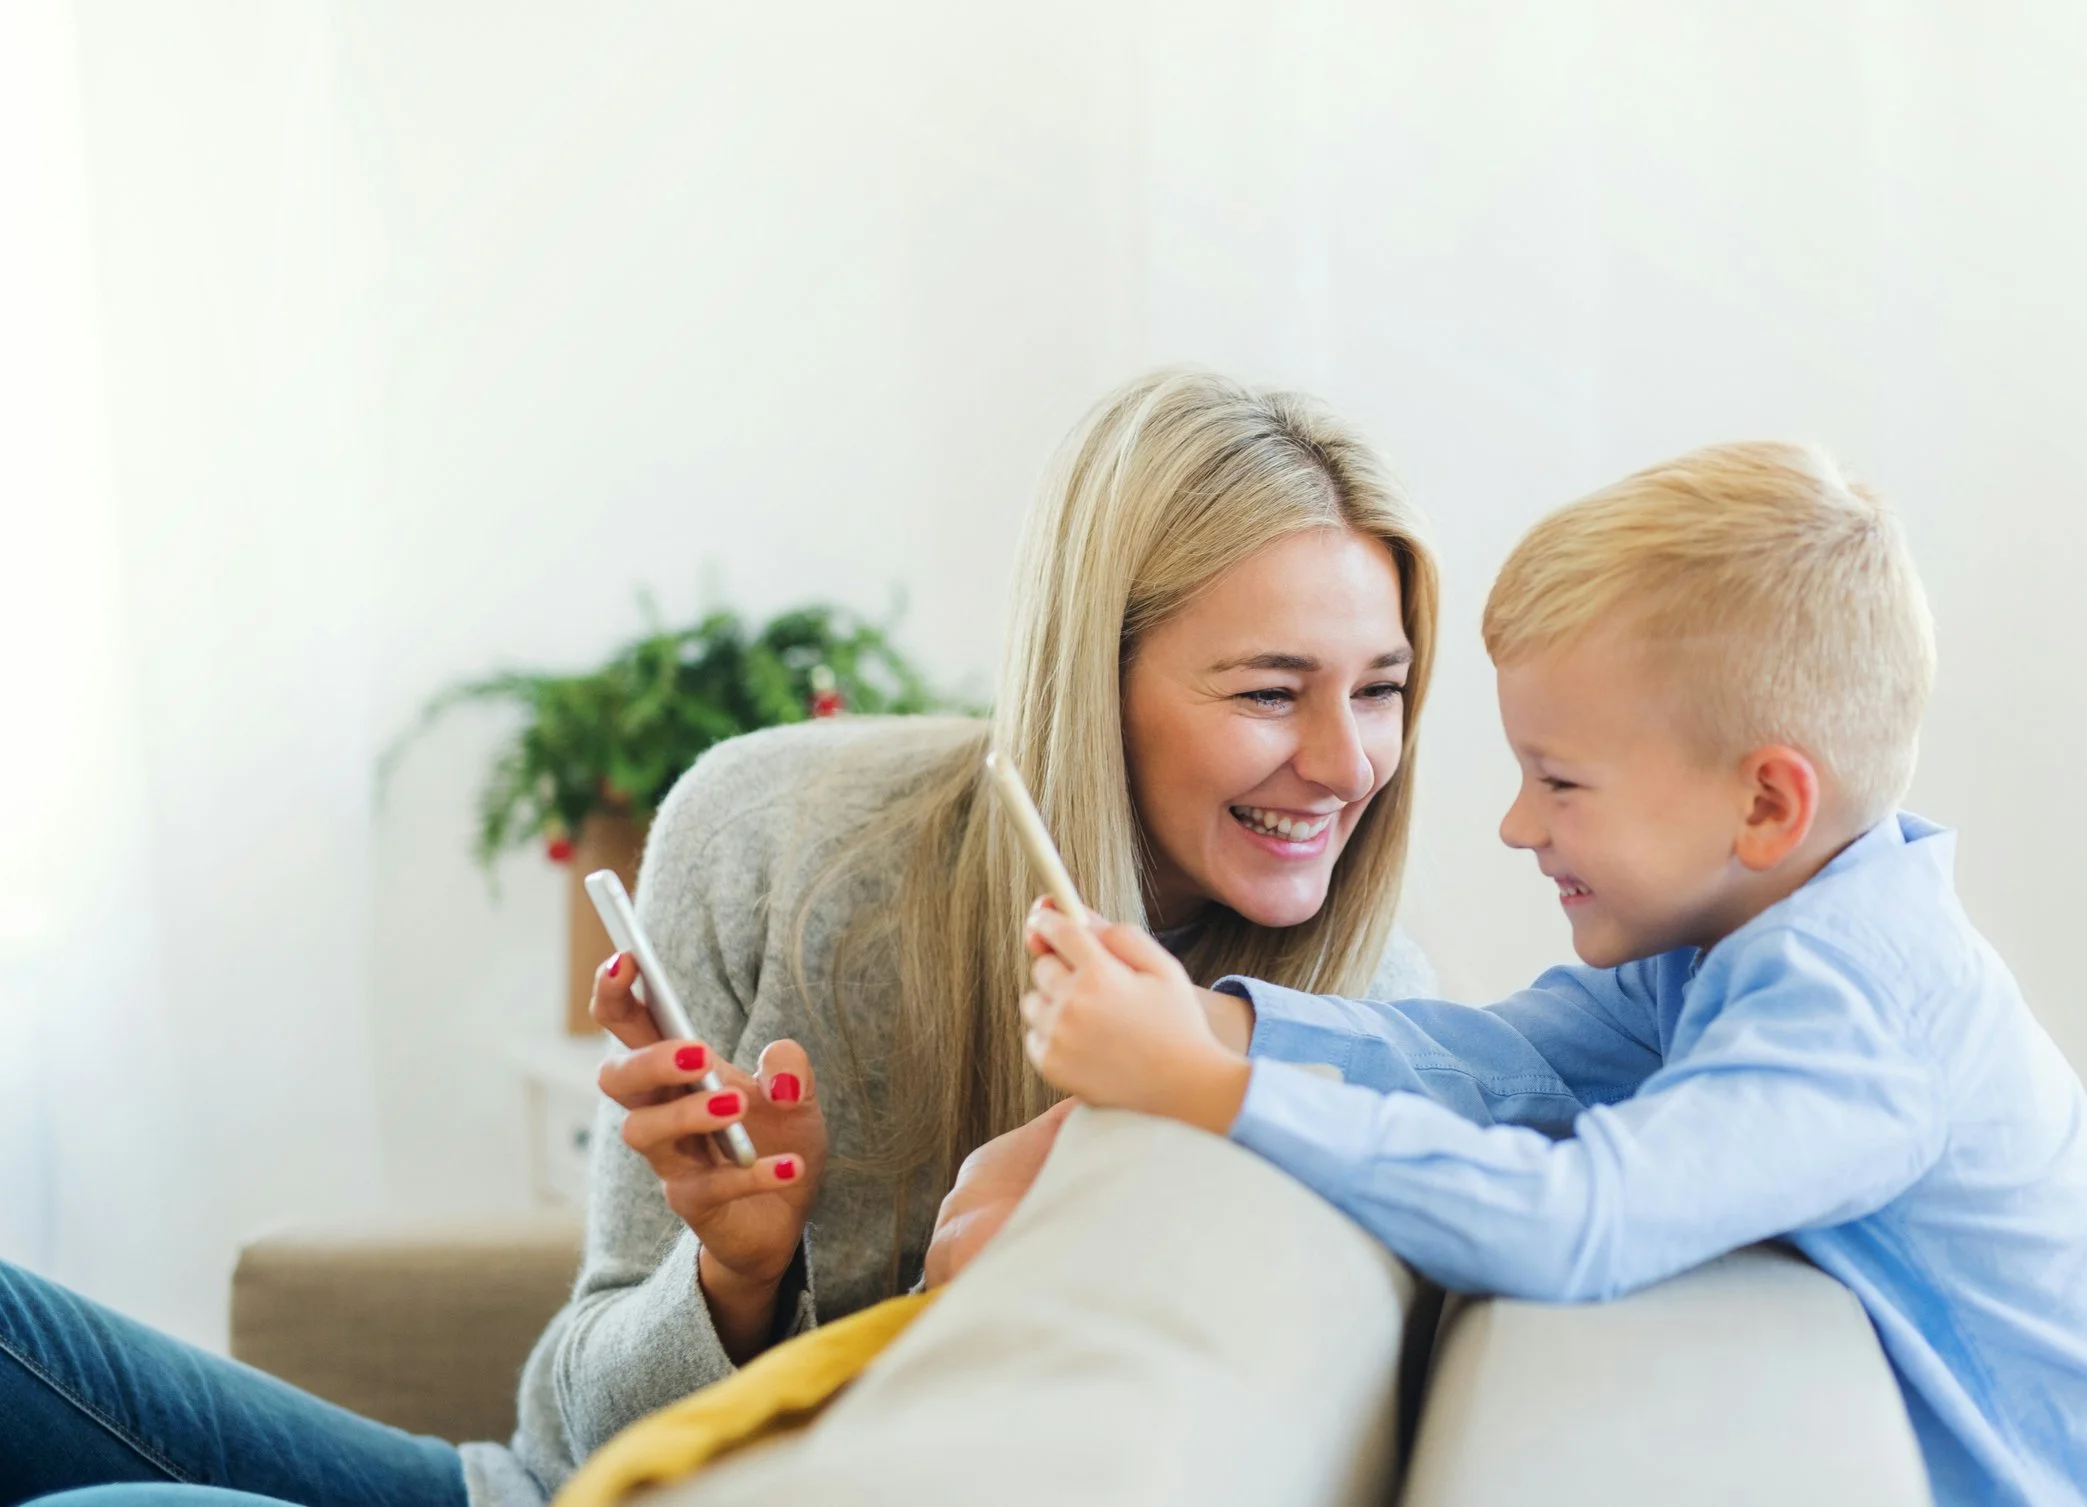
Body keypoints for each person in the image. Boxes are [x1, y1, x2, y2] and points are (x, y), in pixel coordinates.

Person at [0, 367, 1442, 1507]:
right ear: (1091, 678)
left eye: (1381, 688)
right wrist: (730, 1279)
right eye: (1272, 691)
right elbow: (558, 1435)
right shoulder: (778, 830)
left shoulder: (1356, 1042)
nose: (1346, 759)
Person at [1021, 441, 2087, 1506]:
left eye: (1561, 780)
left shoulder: (1856, 1003)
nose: (1517, 826)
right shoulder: (1728, 943)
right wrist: (1221, 1019)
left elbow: (1578, 1220)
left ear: (1765, 802)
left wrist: (1204, 1087)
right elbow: (1498, 1064)